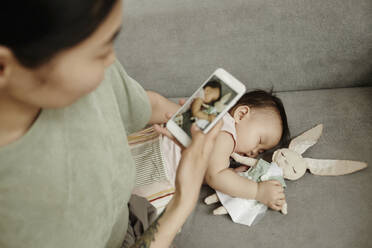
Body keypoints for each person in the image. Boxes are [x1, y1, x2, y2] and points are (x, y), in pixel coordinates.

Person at [0, 0, 222, 247]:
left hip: (129, 217)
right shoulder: (16, 206)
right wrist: (182, 202)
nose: (111, 60)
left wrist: (189, 123)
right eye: (100, 51)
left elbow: (148, 105)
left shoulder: (95, 80)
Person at [153, 90, 291, 211]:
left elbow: (205, 169)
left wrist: (231, 174)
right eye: (259, 141)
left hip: (156, 143)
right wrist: (257, 191)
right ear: (241, 115)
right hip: (160, 168)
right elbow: (215, 176)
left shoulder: (215, 118)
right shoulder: (227, 133)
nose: (253, 153)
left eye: (260, 151)